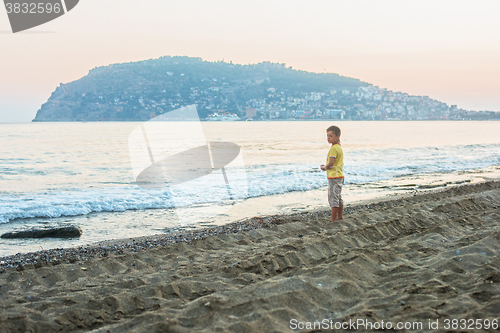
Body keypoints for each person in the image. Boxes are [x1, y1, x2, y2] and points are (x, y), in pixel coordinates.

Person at [320, 125, 344, 221]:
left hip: (334, 177)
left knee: (333, 198)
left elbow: (331, 163)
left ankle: (333, 219)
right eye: (327, 136)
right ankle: (340, 216)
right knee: (338, 197)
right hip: (340, 175)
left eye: (331, 136)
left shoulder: (333, 149)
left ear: (337, 136)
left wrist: (324, 167)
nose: (328, 138)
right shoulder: (339, 147)